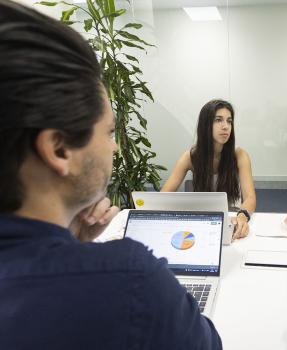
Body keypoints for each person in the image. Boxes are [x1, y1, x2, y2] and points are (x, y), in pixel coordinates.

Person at [0, 1, 221, 349]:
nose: (115, 148)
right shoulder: (131, 280)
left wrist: (68, 244)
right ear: (59, 150)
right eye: (108, 133)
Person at [161, 99, 256, 239]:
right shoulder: (190, 157)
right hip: (202, 221)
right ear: (206, 125)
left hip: (232, 218)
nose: (226, 127)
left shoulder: (240, 155)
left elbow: (250, 197)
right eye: (218, 120)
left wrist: (242, 216)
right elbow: (164, 196)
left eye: (229, 121)